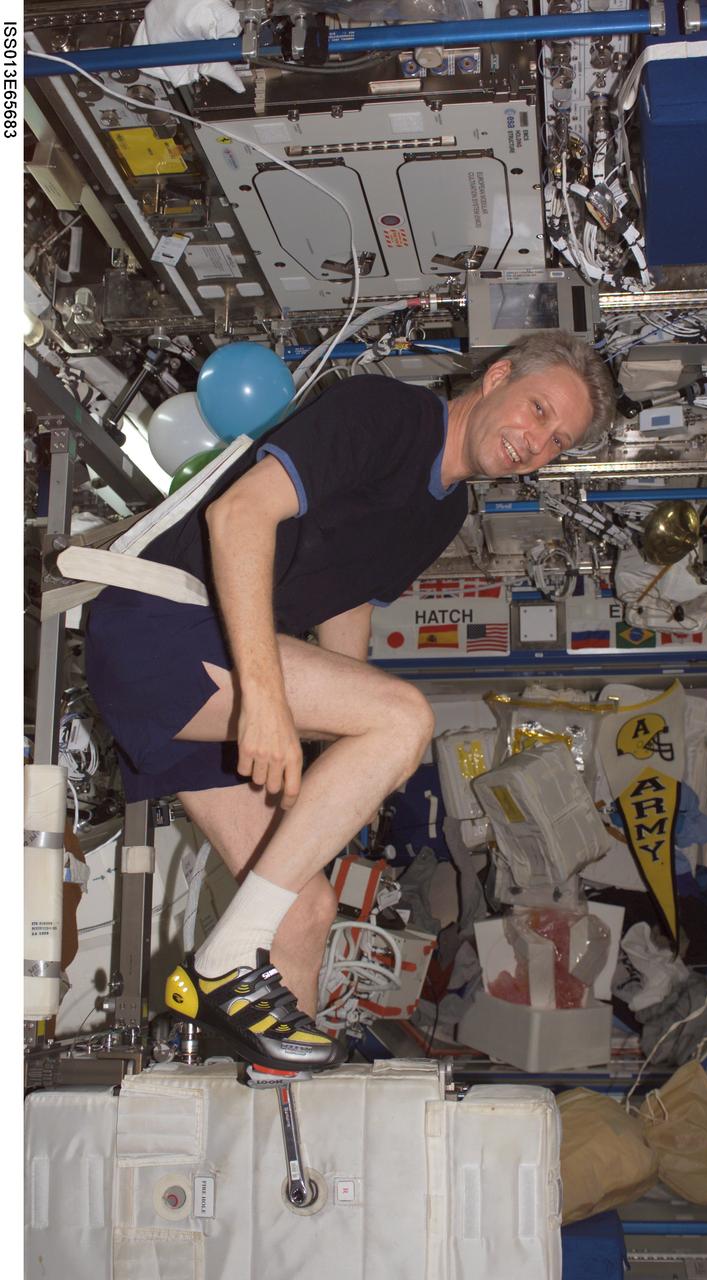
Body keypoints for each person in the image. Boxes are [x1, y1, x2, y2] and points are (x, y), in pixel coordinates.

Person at [85, 329, 615, 1070]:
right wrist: (272, 704)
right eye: (535, 411)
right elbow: (235, 516)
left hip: (214, 661)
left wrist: (345, 757)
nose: (537, 443)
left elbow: (348, 603)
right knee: (404, 717)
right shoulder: (388, 415)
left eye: (557, 440)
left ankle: (279, 1121)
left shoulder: (444, 511)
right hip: (161, 625)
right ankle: (221, 966)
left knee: (303, 911)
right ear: (496, 377)